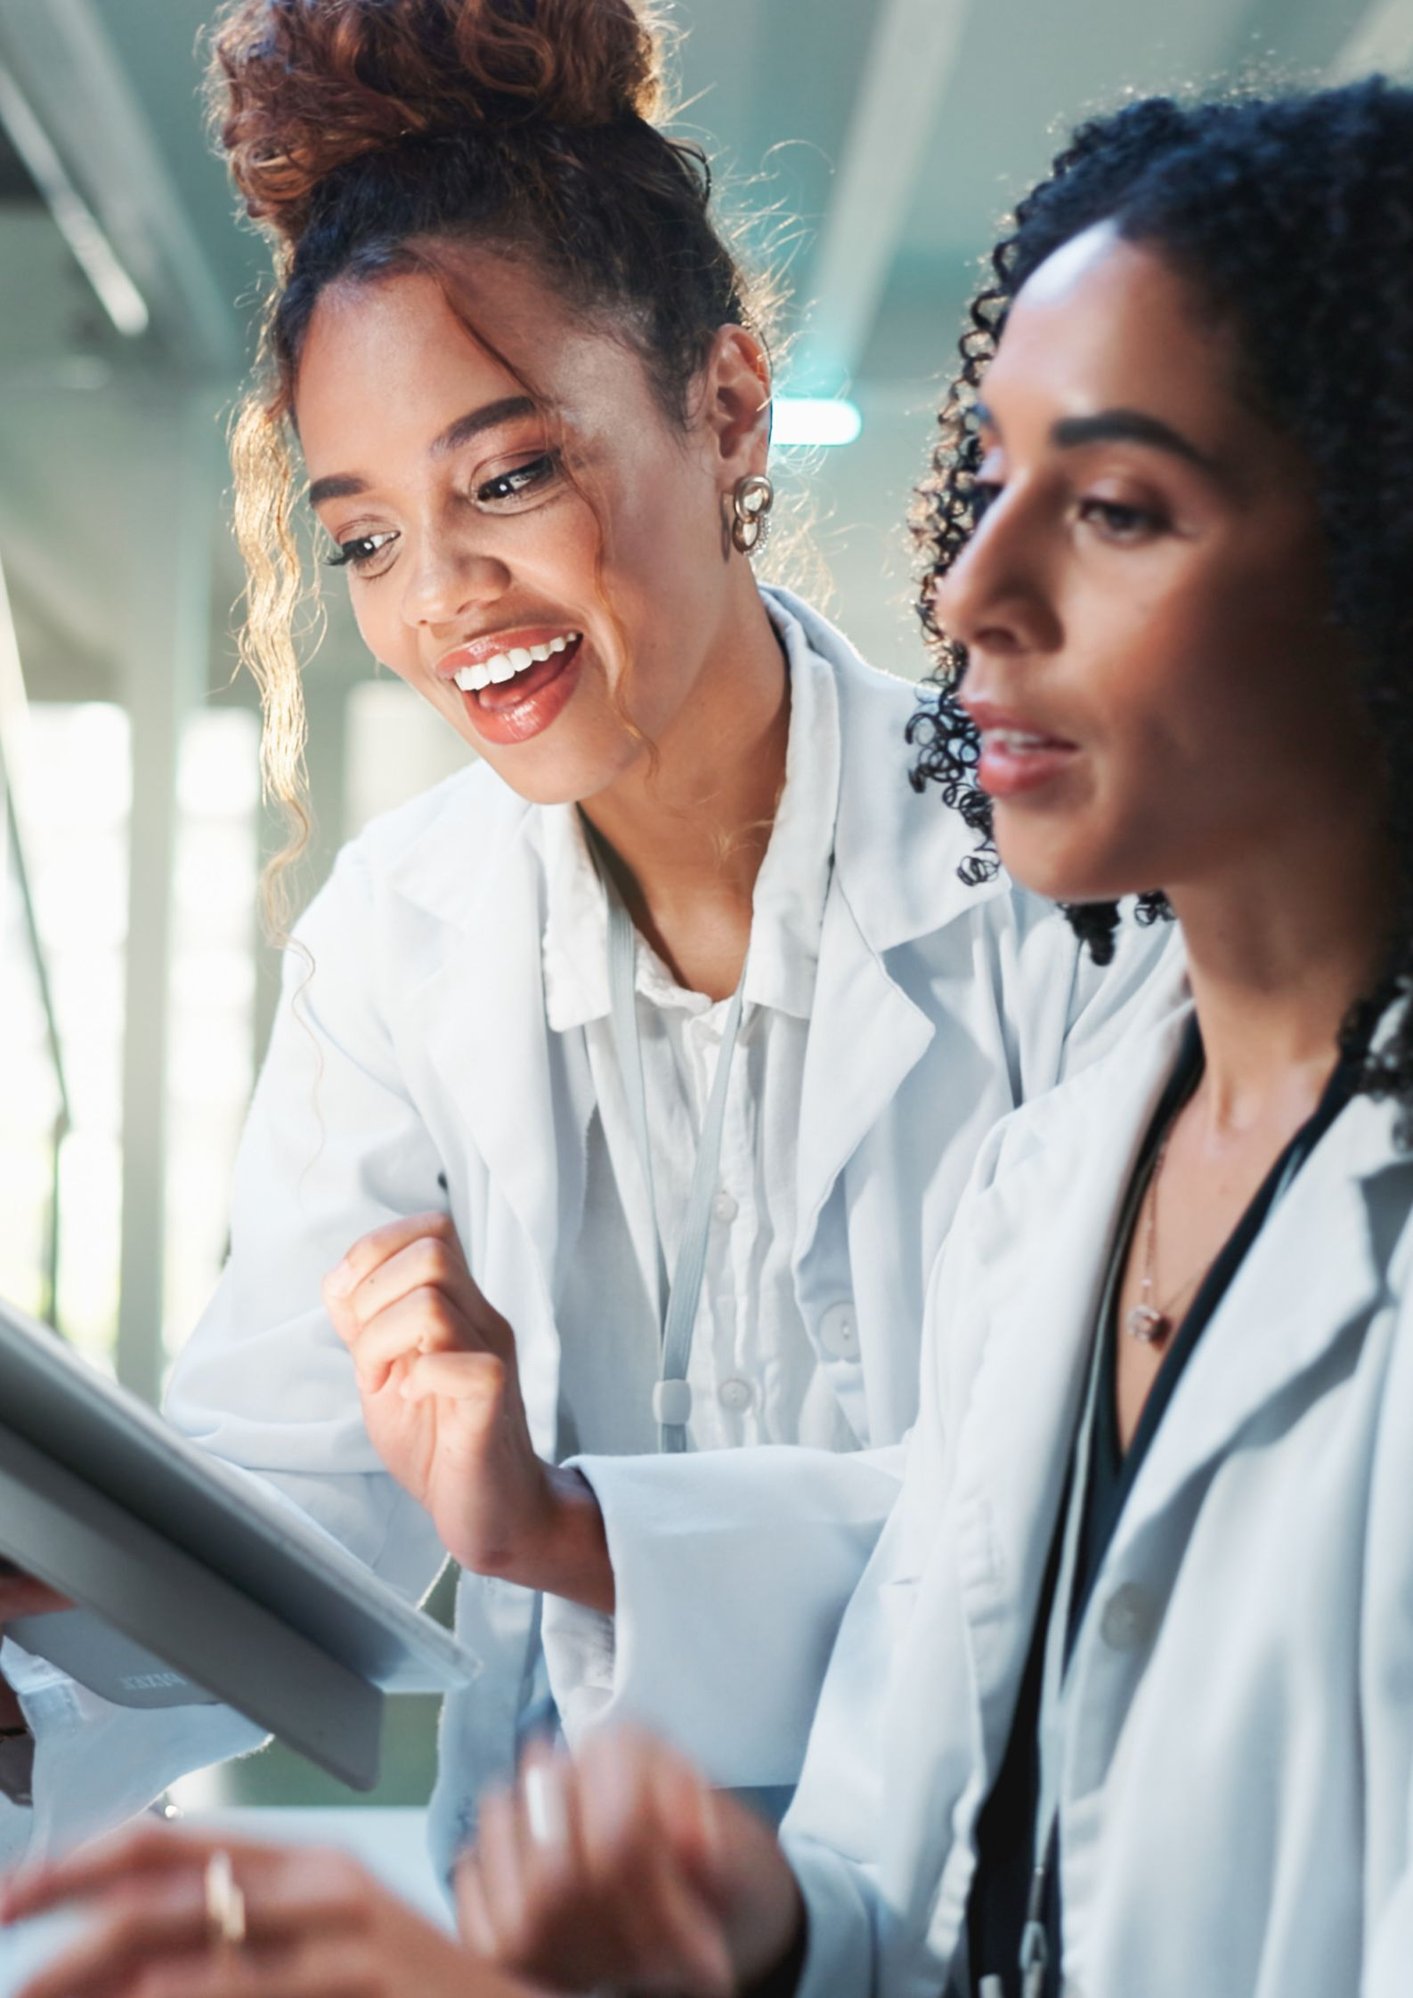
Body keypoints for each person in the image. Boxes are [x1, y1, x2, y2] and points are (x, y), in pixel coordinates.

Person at [0, 0, 1170, 1878]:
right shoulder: (400, 940)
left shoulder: (1057, 879)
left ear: (722, 407)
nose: (445, 601)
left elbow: (1073, 1518)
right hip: (552, 1927)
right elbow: (285, 1526)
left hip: (995, 1910)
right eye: (366, 539)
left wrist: (563, 1528)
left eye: (509, 477)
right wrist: (48, 1618)